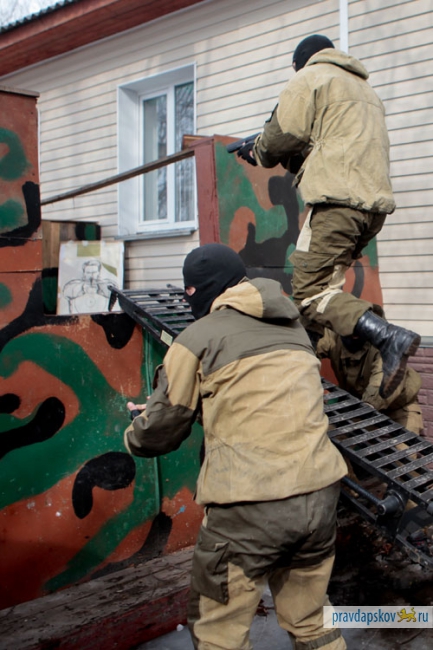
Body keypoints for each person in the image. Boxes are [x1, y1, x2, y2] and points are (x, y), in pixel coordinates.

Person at [124, 243, 348, 650]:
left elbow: (158, 432)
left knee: (219, 633)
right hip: (320, 495)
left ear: (199, 289)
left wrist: (135, 428)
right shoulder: (295, 329)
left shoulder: (197, 337)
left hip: (250, 505)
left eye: (190, 292)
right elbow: (260, 404)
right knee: (312, 622)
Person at [236, 34, 420, 400]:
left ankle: (388, 337)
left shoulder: (311, 77)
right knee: (324, 291)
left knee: (310, 291)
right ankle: (299, 369)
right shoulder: (365, 92)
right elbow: (325, 149)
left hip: (337, 204)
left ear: (300, 63)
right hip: (371, 208)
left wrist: (256, 149)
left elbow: (279, 138)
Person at [316, 311, 424, 436]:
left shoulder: (384, 344)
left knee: (406, 446)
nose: (353, 334)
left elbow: (383, 379)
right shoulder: (333, 336)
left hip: (397, 408)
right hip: (358, 405)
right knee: (332, 440)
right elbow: (309, 349)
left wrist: (369, 405)